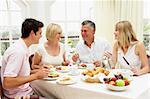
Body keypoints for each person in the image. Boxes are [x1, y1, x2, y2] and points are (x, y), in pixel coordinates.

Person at [1, 18, 49, 98]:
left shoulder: (22, 47)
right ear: (32, 33)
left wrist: (38, 71)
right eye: (40, 33)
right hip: (19, 96)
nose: (41, 36)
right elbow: (7, 83)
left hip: (26, 91)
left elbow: (21, 74)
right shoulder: (18, 51)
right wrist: (36, 76)